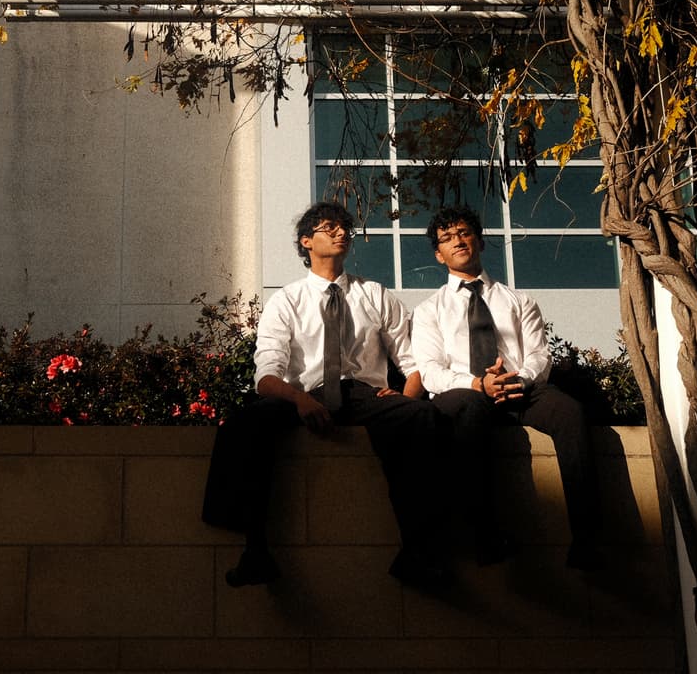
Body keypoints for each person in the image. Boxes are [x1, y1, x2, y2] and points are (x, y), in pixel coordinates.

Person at [202, 201, 453, 588]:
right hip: (303, 394)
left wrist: (405, 395)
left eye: (344, 228)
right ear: (306, 241)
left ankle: (417, 553)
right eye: (329, 227)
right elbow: (266, 375)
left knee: (420, 417)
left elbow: (412, 359)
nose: (341, 233)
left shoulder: (375, 294)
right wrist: (301, 400)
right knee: (244, 423)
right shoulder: (287, 301)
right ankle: (254, 551)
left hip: (365, 395)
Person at [411, 205, 604, 570]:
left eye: (465, 233)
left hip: (520, 389)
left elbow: (539, 357)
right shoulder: (429, 310)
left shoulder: (519, 301)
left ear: (480, 241)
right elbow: (431, 371)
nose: (458, 241)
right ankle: (484, 538)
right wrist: (477, 384)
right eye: (448, 239)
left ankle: (589, 541)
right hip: (463, 393)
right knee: (469, 407)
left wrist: (515, 380)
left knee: (569, 411)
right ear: (439, 254)